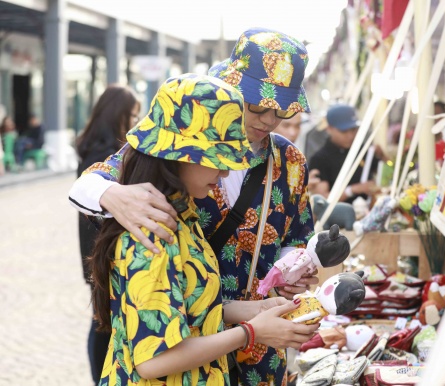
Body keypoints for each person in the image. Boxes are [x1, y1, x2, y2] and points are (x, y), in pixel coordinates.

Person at [69, 28, 317, 385]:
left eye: (282, 111)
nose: (269, 120)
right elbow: (89, 183)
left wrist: (290, 270)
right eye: (259, 106)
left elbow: (297, 235)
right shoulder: (158, 222)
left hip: (254, 348)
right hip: (191, 349)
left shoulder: (289, 161)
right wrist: (114, 196)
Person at [75, 84, 140, 384]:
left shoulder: (91, 147)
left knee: (100, 321)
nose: (137, 123)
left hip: (92, 248)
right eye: (134, 116)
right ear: (119, 115)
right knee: (103, 324)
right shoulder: (108, 154)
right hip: (103, 250)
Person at [309, 103, 381, 203]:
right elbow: (323, 201)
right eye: (344, 131)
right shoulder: (320, 159)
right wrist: (352, 190)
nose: (350, 135)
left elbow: (384, 173)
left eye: (353, 130)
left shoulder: (363, 150)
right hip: (337, 216)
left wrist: (382, 156)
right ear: (329, 129)